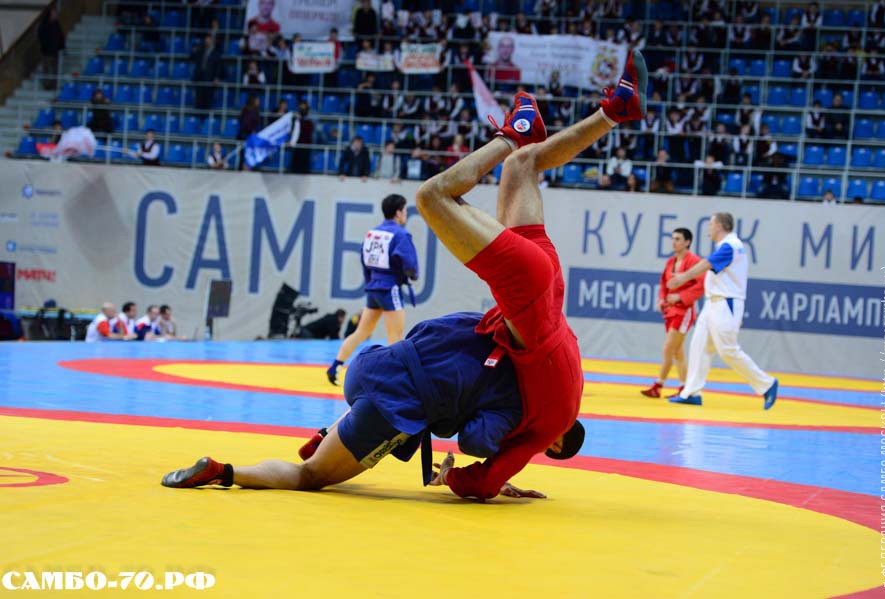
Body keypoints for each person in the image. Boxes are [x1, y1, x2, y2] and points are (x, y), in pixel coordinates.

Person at [160, 50, 649, 501]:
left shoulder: (567, 387)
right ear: (557, 442)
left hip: (544, 285)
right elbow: (482, 461)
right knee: (432, 198)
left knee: (524, 166)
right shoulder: (539, 425)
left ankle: (612, 112)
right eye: (547, 450)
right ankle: (510, 136)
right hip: (504, 312)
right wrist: (463, 477)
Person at [668, 212, 779, 409]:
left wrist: (683, 277)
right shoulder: (726, 245)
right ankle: (692, 392)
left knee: (727, 350)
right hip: (713, 303)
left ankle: (767, 384)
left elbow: (706, 264)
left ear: (719, 226)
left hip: (725, 304)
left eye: (711, 224)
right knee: (699, 346)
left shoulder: (731, 245)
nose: (708, 229)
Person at [326, 194, 419, 384]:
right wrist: (412, 275)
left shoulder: (372, 233)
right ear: (398, 212)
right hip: (390, 288)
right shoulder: (400, 235)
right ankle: (393, 378)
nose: (406, 214)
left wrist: (371, 281)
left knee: (361, 331)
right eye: (404, 210)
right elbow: (410, 264)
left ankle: (335, 365)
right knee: (396, 336)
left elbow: (364, 260)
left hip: (373, 288)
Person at [640, 228, 704, 399]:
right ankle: (685, 387)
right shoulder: (671, 261)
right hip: (671, 310)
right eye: (673, 238)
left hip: (684, 311)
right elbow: (664, 283)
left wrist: (681, 296)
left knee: (668, 347)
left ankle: (658, 385)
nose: (674, 242)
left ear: (687, 242)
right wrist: (661, 299)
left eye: (678, 239)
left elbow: (701, 285)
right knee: (677, 351)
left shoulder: (695, 262)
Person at [37, 7, 65, 91]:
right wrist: (45, 46)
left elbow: (61, 36)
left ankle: (54, 85)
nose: (55, 15)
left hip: (55, 51)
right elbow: (41, 36)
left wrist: (61, 46)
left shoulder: (57, 24)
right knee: (47, 69)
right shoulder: (44, 24)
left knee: (55, 70)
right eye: (54, 13)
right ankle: (46, 85)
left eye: (56, 13)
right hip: (47, 52)